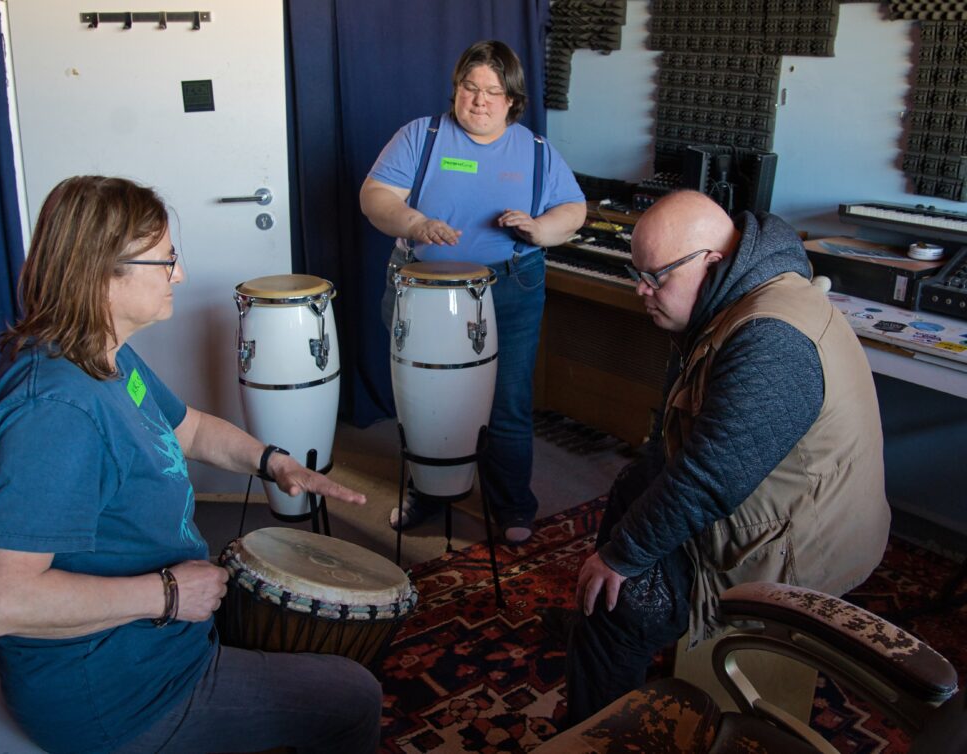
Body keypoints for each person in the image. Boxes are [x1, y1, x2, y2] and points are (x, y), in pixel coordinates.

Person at [0, 176, 383, 754]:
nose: (179, 276)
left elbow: (188, 428)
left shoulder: (101, 356)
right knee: (354, 694)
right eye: (166, 261)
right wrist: (166, 595)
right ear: (102, 273)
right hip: (115, 696)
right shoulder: (55, 413)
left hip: (152, 640)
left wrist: (274, 462)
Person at [560, 190, 891, 724]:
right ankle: (605, 623)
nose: (642, 291)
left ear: (711, 261)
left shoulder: (771, 339)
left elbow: (710, 478)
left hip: (796, 544)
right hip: (765, 500)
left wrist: (621, 557)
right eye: (637, 273)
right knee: (631, 485)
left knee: (617, 614)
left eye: (656, 276)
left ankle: (594, 722)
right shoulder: (741, 293)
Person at [360, 40, 587, 544]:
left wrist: (539, 229)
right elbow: (375, 196)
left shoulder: (535, 151)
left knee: (506, 401)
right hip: (425, 289)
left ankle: (511, 505)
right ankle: (429, 489)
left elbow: (573, 209)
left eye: (493, 91)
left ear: (512, 100)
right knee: (427, 400)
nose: (479, 100)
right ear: (456, 89)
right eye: (470, 87)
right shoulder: (422, 136)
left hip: (511, 286)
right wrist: (415, 222)